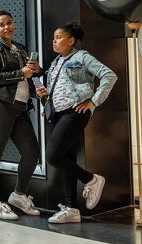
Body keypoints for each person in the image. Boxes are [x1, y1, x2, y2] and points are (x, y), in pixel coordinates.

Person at [40, 22, 117, 224]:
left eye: (58, 37)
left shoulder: (82, 57)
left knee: (53, 156)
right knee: (67, 160)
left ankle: (91, 179)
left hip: (74, 113)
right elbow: (58, 89)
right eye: (54, 38)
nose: (54, 41)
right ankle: (71, 208)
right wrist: (45, 98)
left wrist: (93, 101)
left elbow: (109, 75)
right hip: (56, 114)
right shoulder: (56, 62)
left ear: (71, 40)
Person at [0, 10, 42, 220]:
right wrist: (20, 73)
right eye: (1, 24)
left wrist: (37, 71)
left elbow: (28, 76)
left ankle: (18, 195)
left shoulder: (20, 48)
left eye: (9, 23)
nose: (6, 27)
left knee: (32, 151)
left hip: (20, 106)